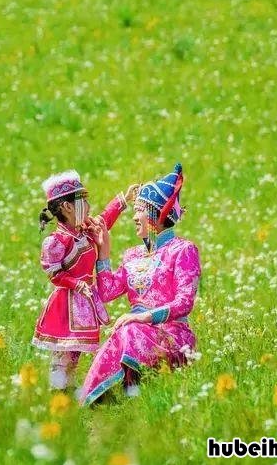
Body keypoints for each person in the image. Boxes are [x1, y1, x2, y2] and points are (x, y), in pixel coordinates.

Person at [79, 163, 201, 405]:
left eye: (140, 211)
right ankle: (110, 400)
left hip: (172, 334)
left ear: (157, 214)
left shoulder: (183, 250)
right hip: (133, 331)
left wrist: (141, 318)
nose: (134, 217)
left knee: (128, 330)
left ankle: (120, 397)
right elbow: (108, 292)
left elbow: (184, 303)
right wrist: (103, 254)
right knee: (126, 331)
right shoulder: (133, 255)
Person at [31, 170, 138, 389]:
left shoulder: (85, 230)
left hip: (85, 300)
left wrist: (123, 200)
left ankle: (67, 390)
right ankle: (58, 391)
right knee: (62, 353)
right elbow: (54, 274)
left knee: (75, 353)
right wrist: (77, 284)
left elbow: (104, 220)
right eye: (84, 201)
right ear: (67, 207)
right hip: (67, 303)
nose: (88, 206)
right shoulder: (56, 241)